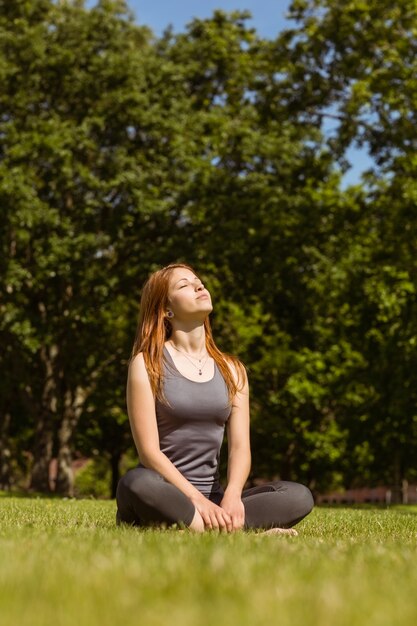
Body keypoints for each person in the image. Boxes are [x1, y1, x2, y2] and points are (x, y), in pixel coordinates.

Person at [116, 263, 314, 533]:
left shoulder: (233, 370)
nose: (199, 286)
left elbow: (240, 448)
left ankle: (205, 527)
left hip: (215, 499)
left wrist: (232, 496)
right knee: (135, 483)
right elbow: (149, 453)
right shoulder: (147, 363)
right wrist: (195, 500)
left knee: (298, 495)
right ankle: (228, 529)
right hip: (165, 492)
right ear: (166, 310)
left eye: (199, 282)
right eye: (184, 285)